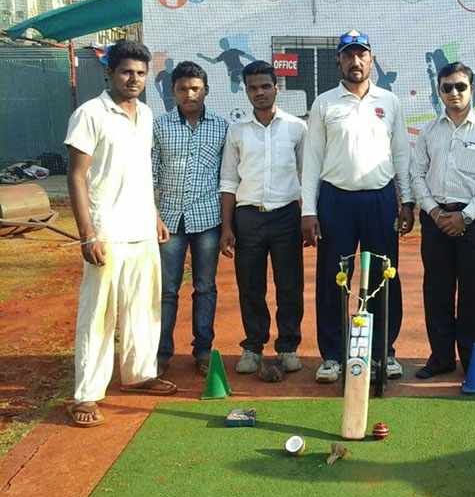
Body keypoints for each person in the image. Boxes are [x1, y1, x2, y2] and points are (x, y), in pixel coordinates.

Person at [64, 40, 177, 427]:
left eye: (141, 73)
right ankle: (88, 393)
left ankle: (138, 375)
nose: (134, 79)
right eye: (127, 72)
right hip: (106, 232)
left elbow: (140, 173)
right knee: (98, 316)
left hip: (142, 228)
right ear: (109, 72)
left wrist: (155, 216)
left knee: (143, 309)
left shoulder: (145, 114)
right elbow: (76, 176)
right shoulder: (90, 114)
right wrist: (87, 234)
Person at [301, 30, 415, 383]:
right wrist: (308, 210)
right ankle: (333, 355)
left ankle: (384, 352)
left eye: (361, 55)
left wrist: (407, 201)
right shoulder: (325, 103)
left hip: (380, 199)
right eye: (348, 55)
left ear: (371, 58)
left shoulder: (389, 102)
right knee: (333, 279)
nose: (355, 62)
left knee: (385, 277)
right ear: (339, 60)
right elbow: (312, 159)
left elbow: (401, 155)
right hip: (335, 199)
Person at [410, 62, 475, 380]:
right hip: (436, 219)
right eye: (447, 87)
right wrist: (436, 213)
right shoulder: (428, 131)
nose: (454, 93)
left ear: (471, 89)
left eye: (460, 86)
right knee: (437, 290)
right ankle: (441, 357)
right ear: (439, 91)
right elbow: (416, 175)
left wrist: (465, 215)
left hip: (474, 220)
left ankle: (473, 360)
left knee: (474, 292)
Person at [219, 61, 306, 375]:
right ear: (246, 91)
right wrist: (227, 226)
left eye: (265, 86)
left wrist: (308, 215)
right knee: (251, 287)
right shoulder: (237, 131)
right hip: (248, 219)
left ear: (276, 88)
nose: (259, 92)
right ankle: (253, 347)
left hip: (286, 218)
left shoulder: (297, 127)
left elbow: (306, 175)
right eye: (253, 88)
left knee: (289, 286)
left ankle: (288, 347)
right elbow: (229, 180)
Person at [152, 61, 228, 376]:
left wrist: (227, 226)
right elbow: (150, 174)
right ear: (173, 92)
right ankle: (161, 353)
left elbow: (227, 179)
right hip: (168, 221)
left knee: (205, 287)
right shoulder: (159, 126)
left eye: (195, 88)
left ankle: (203, 351)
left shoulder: (222, 127)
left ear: (206, 90)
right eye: (183, 89)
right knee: (167, 289)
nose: (189, 94)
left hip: (207, 220)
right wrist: (154, 215)